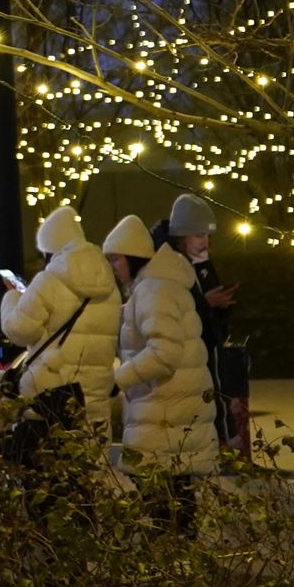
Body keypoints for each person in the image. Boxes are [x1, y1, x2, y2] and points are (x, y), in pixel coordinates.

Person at [107, 214, 218, 525]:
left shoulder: (153, 290)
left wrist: (118, 379)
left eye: (115, 259)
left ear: (132, 256)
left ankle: (175, 553)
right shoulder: (157, 286)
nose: (113, 267)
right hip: (171, 414)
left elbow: (164, 352)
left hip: (164, 415)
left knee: (166, 509)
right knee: (176, 504)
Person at [0, 204, 122, 442]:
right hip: (97, 389)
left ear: (51, 248)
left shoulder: (49, 281)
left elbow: (19, 330)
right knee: (93, 453)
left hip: (55, 391)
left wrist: (12, 297)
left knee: (54, 456)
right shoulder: (109, 286)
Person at [150, 194, 241, 453]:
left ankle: (224, 444)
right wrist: (206, 304)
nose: (205, 242)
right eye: (199, 235)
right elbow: (173, 308)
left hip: (208, 348)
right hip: (192, 355)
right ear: (182, 235)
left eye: (208, 236)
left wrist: (220, 307)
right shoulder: (169, 265)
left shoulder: (200, 262)